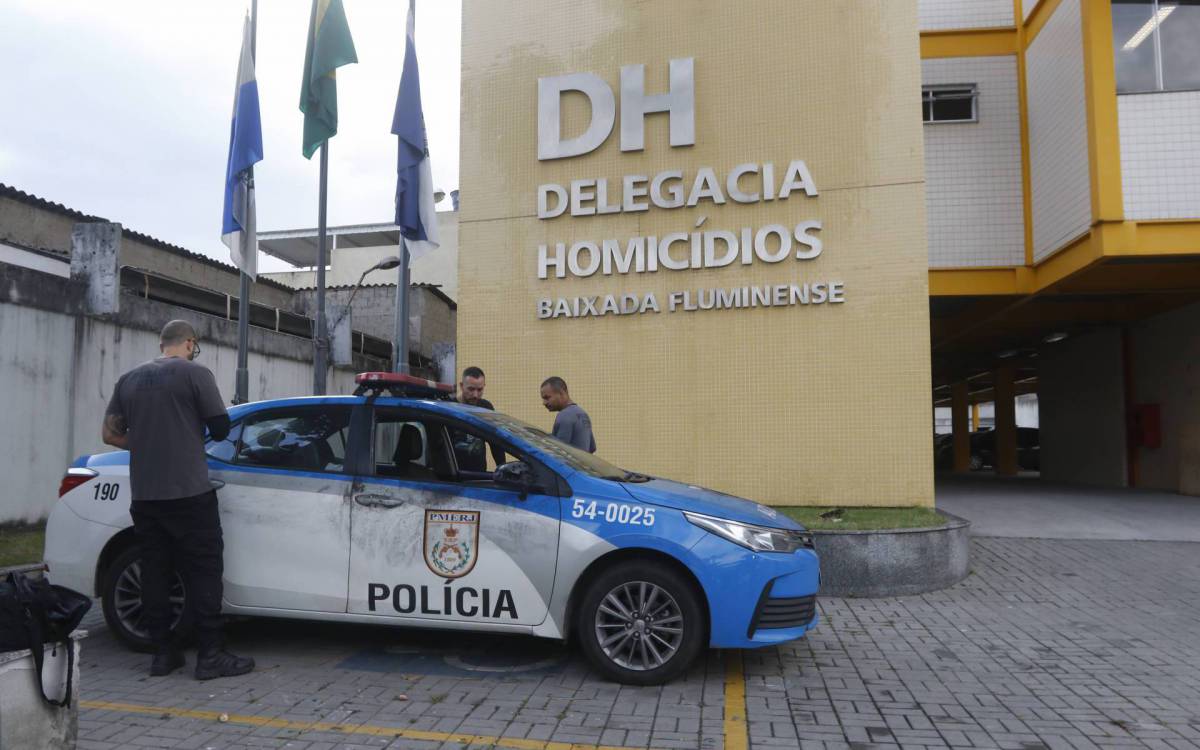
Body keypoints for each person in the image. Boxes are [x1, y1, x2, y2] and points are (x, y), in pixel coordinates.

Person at [102, 320, 254, 681]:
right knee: (204, 572)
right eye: (193, 346)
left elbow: (109, 433)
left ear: (161, 343)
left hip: (146, 497)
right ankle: (210, 655)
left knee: (154, 573)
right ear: (189, 343)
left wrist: (145, 442)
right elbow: (219, 428)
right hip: (189, 494)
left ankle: (163, 655)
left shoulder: (129, 379)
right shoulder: (195, 374)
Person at [454, 366, 504, 472]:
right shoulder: (449, 406)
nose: (475, 395)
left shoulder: (485, 407)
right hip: (453, 476)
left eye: (480, 389)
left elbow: (495, 443)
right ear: (462, 386)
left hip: (478, 475)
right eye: (471, 389)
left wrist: (503, 468)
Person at [540, 376, 596, 453]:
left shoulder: (564, 416)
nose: (544, 403)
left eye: (547, 397)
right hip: (581, 464)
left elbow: (558, 451)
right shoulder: (582, 414)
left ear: (562, 393)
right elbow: (592, 448)